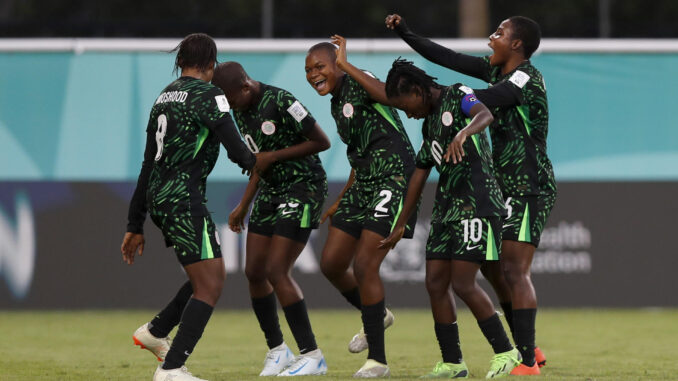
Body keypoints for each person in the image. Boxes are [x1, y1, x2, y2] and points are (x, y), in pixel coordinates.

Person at [386, 14, 557, 375]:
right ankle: (528, 348)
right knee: (494, 271)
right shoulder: (495, 70)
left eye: (498, 33)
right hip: (501, 185)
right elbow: (446, 57)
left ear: (516, 45)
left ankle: (526, 360)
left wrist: (449, 98)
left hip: (530, 184)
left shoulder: (526, 75)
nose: (490, 38)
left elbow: (498, 97)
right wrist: (406, 33)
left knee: (514, 270)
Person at [121, 33, 257, 381]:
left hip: (160, 197)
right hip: (183, 197)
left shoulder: (162, 98)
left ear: (180, 62)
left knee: (206, 276)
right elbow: (238, 150)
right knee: (211, 284)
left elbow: (147, 164)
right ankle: (171, 369)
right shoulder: (211, 94)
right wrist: (263, 162)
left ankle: (156, 332)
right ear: (211, 65)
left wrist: (135, 223)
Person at [374, 57, 521, 378]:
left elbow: (484, 114)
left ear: (417, 90)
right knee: (435, 283)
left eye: (407, 105)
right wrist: (401, 222)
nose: (408, 113)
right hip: (446, 210)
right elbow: (419, 175)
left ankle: (506, 352)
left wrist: (463, 133)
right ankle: (453, 362)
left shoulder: (458, 94)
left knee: (463, 283)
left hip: (478, 204)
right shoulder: (429, 124)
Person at [304, 38, 418, 378]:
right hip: (365, 181)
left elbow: (390, 96)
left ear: (337, 64)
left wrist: (347, 65)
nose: (313, 74)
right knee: (331, 263)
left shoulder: (358, 79)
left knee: (366, 264)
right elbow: (359, 151)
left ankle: (378, 361)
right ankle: (377, 314)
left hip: (394, 176)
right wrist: (343, 196)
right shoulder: (337, 104)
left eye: (320, 66)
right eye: (308, 70)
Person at [211, 62, 331, 376]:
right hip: (270, 189)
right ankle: (278, 350)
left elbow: (322, 142)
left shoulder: (282, 101)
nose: (231, 105)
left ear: (245, 86)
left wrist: (274, 157)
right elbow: (259, 162)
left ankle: (312, 355)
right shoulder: (238, 109)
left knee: (277, 271)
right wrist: (243, 204)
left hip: (303, 188)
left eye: (231, 99)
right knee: (254, 272)